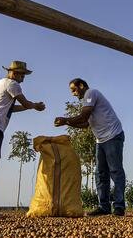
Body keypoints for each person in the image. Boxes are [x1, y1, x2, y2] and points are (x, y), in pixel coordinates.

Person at [0, 60, 45, 219]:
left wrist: (30, 106)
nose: (23, 78)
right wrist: (35, 106)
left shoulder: (0, 84)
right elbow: (25, 103)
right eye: (22, 74)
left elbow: (11, 108)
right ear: (14, 73)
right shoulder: (13, 84)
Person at [54, 78, 126, 216]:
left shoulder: (91, 93)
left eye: (74, 89)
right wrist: (67, 123)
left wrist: (65, 120)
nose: (73, 93)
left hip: (113, 135)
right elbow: (85, 124)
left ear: (81, 85)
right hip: (100, 140)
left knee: (115, 171)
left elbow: (83, 116)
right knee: (100, 173)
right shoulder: (85, 101)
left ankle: (119, 206)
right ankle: (104, 207)